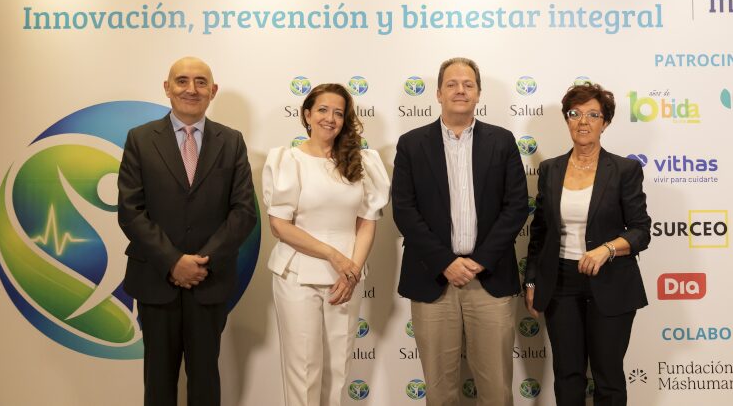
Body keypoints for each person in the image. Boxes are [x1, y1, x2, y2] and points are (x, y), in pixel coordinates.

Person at [117, 56, 256, 406]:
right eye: (182, 81)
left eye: (200, 82)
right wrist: (173, 261)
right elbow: (131, 211)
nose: (191, 89)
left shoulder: (232, 141)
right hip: (155, 280)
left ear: (213, 91)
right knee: (158, 382)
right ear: (167, 88)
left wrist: (200, 262)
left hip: (209, 282)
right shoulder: (140, 139)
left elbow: (243, 212)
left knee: (206, 381)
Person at [393, 57, 529, 406]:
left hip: (490, 278)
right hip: (433, 279)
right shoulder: (411, 144)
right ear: (438, 93)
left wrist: (480, 260)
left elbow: (516, 206)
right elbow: (404, 211)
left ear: (478, 93)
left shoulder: (502, 141)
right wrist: (445, 262)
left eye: (468, 84)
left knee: (496, 390)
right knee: (440, 391)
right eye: (451, 84)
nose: (460, 90)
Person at [262, 83, 390, 406]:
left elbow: (367, 222)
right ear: (307, 115)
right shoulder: (288, 160)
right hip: (297, 275)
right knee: (304, 371)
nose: (330, 119)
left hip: (346, 278)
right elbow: (279, 226)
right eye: (322, 110)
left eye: (338, 113)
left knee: (338, 370)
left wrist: (352, 270)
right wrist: (333, 255)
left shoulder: (362, 162)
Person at [524, 83, 651, 406]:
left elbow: (641, 231)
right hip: (561, 283)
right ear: (567, 119)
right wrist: (532, 281)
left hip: (612, 281)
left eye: (593, 115)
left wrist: (607, 249)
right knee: (568, 376)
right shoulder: (550, 169)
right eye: (575, 113)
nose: (583, 121)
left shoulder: (624, 170)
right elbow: (540, 233)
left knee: (608, 376)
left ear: (605, 123)